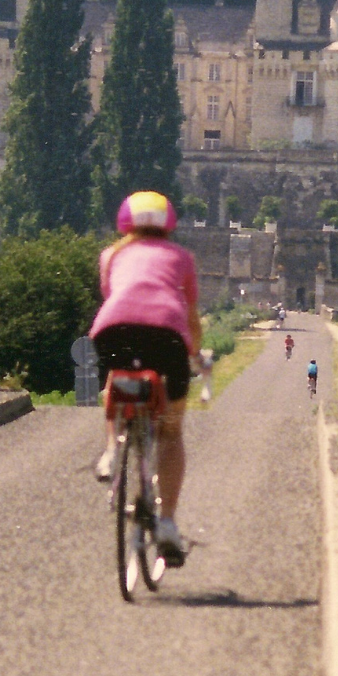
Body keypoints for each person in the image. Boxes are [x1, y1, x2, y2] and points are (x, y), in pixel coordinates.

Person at [91, 191, 201, 566]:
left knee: (115, 381)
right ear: (169, 223)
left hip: (113, 330)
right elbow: (191, 316)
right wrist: (194, 354)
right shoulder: (182, 257)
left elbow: (115, 298)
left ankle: (110, 453)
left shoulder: (111, 255)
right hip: (167, 335)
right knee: (171, 430)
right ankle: (167, 522)